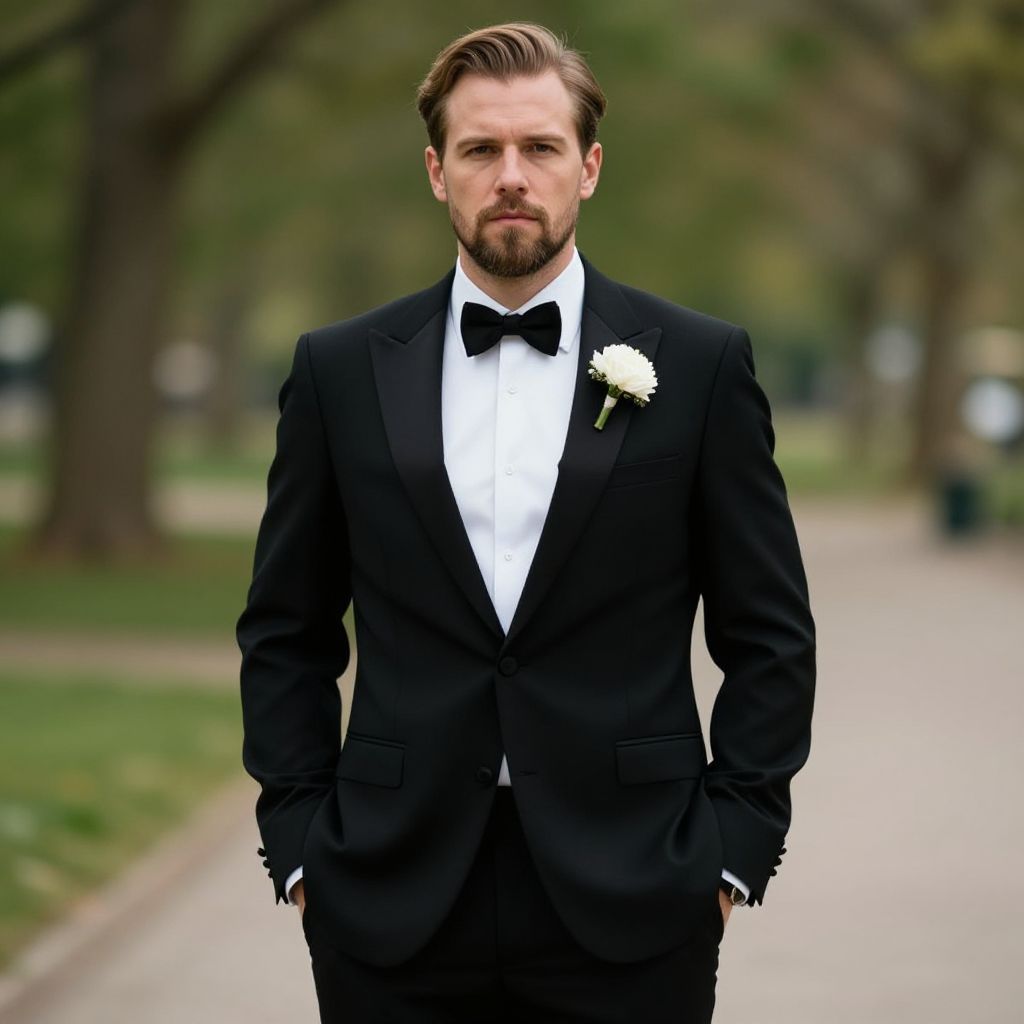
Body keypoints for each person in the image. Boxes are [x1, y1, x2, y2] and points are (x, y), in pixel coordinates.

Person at [237, 21, 816, 1024]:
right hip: (389, 889)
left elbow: (770, 633)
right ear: (436, 171)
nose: (511, 175)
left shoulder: (699, 364)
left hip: (639, 889)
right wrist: (297, 842)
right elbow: (286, 628)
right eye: (480, 149)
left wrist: (733, 849)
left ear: (587, 167)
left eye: (540, 147)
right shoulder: (338, 371)